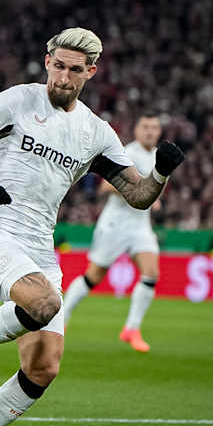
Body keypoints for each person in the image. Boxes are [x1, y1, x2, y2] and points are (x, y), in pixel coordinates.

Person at [0, 27, 184, 426]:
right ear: (47, 61)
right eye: (58, 66)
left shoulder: (95, 132)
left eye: (75, 70)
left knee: (44, 366)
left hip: (38, 243)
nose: (63, 78)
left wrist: (161, 172)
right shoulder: (17, 100)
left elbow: (138, 195)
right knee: (44, 301)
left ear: (91, 72)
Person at [59, 114, 166, 352]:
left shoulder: (158, 156)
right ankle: (62, 318)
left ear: (159, 132)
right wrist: (142, 192)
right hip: (115, 225)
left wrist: (153, 199)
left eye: (154, 127)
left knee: (151, 273)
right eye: (145, 126)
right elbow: (106, 186)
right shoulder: (128, 153)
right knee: (94, 276)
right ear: (137, 130)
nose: (149, 132)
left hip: (140, 225)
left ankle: (131, 329)